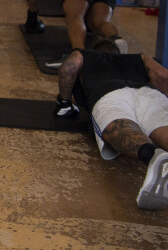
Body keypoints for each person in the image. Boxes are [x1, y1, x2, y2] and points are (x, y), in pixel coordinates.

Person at [54, 39, 168, 210]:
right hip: (149, 93)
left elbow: (68, 68)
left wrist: (64, 102)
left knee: (121, 127)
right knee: (162, 129)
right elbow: (163, 75)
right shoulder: (140, 58)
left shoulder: (85, 54)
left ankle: (152, 155)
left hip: (109, 94)